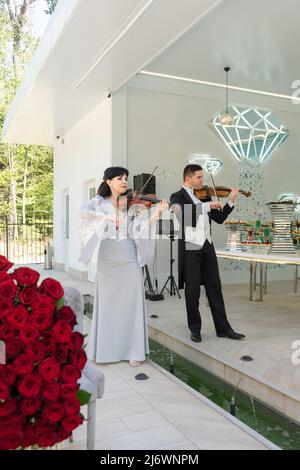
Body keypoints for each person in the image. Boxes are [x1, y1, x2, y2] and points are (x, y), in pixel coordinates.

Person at [79, 166, 168, 366]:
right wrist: (107, 217)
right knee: (109, 305)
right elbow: (84, 216)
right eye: (119, 178)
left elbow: (141, 229)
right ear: (108, 181)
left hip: (128, 257)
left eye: (125, 178)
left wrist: (158, 213)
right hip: (108, 257)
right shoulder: (98, 203)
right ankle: (107, 351)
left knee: (131, 303)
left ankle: (133, 351)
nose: (124, 181)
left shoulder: (132, 204)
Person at [170, 164, 245, 342]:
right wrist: (207, 206)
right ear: (188, 178)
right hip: (191, 246)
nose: (202, 181)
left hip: (207, 245)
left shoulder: (205, 195)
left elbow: (219, 219)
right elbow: (183, 215)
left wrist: (231, 201)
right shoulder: (177, 196)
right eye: (199, 178)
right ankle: (195, 329)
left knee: (215, 288)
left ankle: (223, 328)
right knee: (193, 290)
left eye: (203, 178)